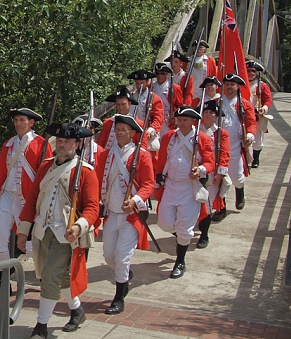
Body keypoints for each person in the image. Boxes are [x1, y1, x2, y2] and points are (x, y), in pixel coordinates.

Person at [17, 122, 99, 337]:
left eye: (67, 141)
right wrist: (23, 230)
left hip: (66, 235)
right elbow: (32, 199)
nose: (62, 145)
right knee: (59, 278)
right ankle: (77, 310)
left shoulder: (86, 172)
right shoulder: (45, 167)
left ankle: (41, 326)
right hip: (43, 230)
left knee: (50, 275)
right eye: (60, 141)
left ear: (77, 144)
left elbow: (92, 207)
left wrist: (79, 226)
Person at [0, 107, 52, 299]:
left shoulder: (41, 144)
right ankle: (5, 280)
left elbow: (45, 175)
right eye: (16, 120)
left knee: (31, 245)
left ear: (31, 123)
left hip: (28, 200)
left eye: (22, 120)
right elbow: (0, 172)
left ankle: (45, 277)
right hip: (7, 196)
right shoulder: (9, 144)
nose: (18, 123)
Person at [94, 115, 154, 314]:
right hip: (112, 213)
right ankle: (125, 275)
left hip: (131, 216)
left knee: (121, 256)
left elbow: (148, 185)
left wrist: (136, 200)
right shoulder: (105, 155)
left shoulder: (141, 155)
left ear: (132, 134)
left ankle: (119, 297)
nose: (119, 133)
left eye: (123, 130)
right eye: (117, 130)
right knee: (109, 256)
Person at [155, 106, 215, 279]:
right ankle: (183, 237)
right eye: (180, 120)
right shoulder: (169, 137)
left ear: (193, 121)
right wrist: (158, 179)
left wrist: (201, 170)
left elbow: (210, 162)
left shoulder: (201, 138)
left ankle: (180, 261)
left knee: (185, 228)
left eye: (185, 120)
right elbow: (161, 160)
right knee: (164, 223)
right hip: (171, 185)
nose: (182, 123)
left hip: (190, 187)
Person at [219, 73, 257, 210]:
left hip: (236, 144)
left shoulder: (244, 104)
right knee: (220, 177)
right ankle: (220, 206)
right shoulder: (218, 102)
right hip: (219, 144)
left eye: (232, 84)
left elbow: (251, 123)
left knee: (237, 177)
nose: (229, 87)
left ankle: (240, 191)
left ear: (237, 87)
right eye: (227, 84)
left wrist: (250, 136)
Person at [197, 100, 231, 239]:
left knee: (208, 202)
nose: (208, 115)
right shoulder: (196, 131)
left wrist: (220, 173)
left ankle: (204, 232)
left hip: (212, 173)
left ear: (216, 116)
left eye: (211, 112)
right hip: (197, 170)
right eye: (205, 112)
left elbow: (224, 154)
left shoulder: (221, 133)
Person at [127, 69, 164, 152]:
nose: (139, 86)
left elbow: (159, 118)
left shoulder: (154, 98)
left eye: (142, 83)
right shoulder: (130, 97)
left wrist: (151, 130)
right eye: (137, 83)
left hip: (146, 132)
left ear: (147, 82)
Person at [246, 61, 272, 168]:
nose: (251, 73)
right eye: (248, 71)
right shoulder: (241, 84)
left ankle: (255, 159)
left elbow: (268, 99)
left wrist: (264, 108)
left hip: (257, 115)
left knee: (257, 140)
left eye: (253, 71)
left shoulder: (262, 86)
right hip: (244, 115)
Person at [151, 63, 183, 138]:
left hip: (169, 121)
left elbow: (180, 106)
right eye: (157, 73)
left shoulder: (174, 87)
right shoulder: (151, 87)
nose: (159, 76)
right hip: (154, 120)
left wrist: (175, 117)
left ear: (167, 74)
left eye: (162, 73)